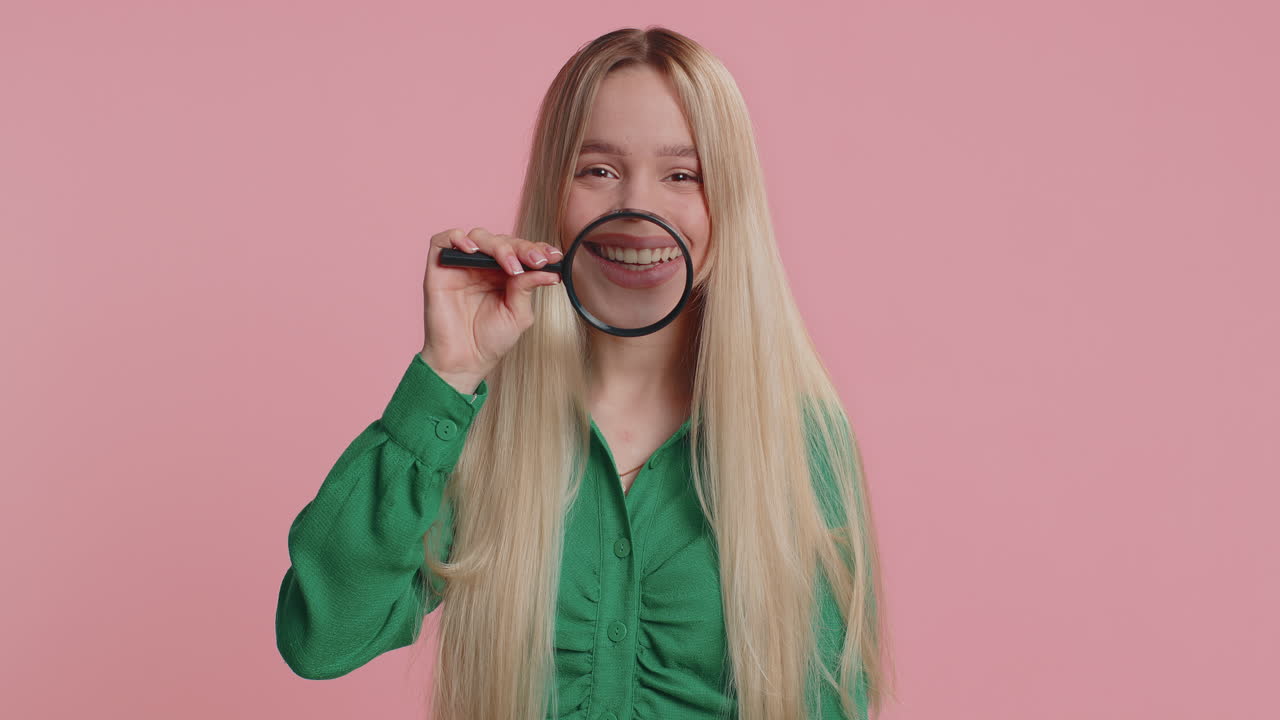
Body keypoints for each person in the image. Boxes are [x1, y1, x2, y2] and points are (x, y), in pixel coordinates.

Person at [275, 26, 892, 720]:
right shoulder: (477, 428)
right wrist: (447, 373)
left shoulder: (800, 438)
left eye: (682, 174)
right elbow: (320, 637)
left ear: (732, 202)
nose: (638, 209)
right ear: (554, 192)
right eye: (598, 170)